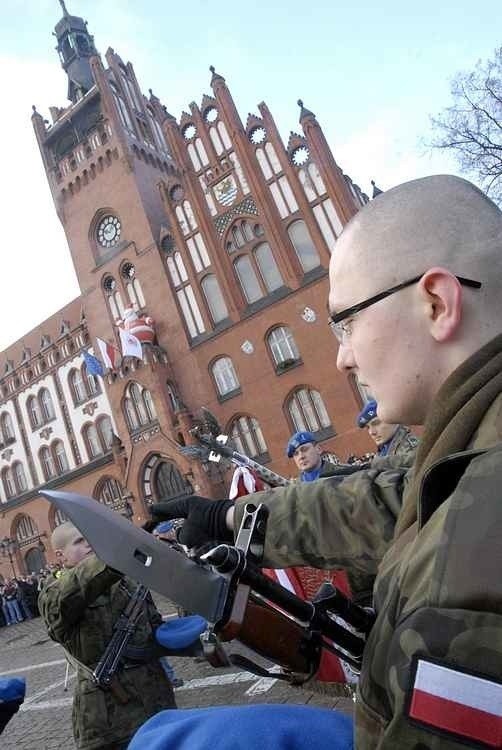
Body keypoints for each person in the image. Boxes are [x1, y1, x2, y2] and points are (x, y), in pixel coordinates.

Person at [150, 175, 502, 749]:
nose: (341, 357)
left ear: (437, 302)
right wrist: (227, 517)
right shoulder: (472, 455)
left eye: (348, 321)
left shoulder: (465, 572)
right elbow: (388, 501)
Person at [38, 521, 176, 750]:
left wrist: (181, 640)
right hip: (109, 716)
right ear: (60, 555)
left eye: (89, 537)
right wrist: (117, 554)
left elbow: (152, 625)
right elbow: (76, 588)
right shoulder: (53, 592)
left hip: (157, 700)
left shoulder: (128, 580)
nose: (89, 544)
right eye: (79, 541)